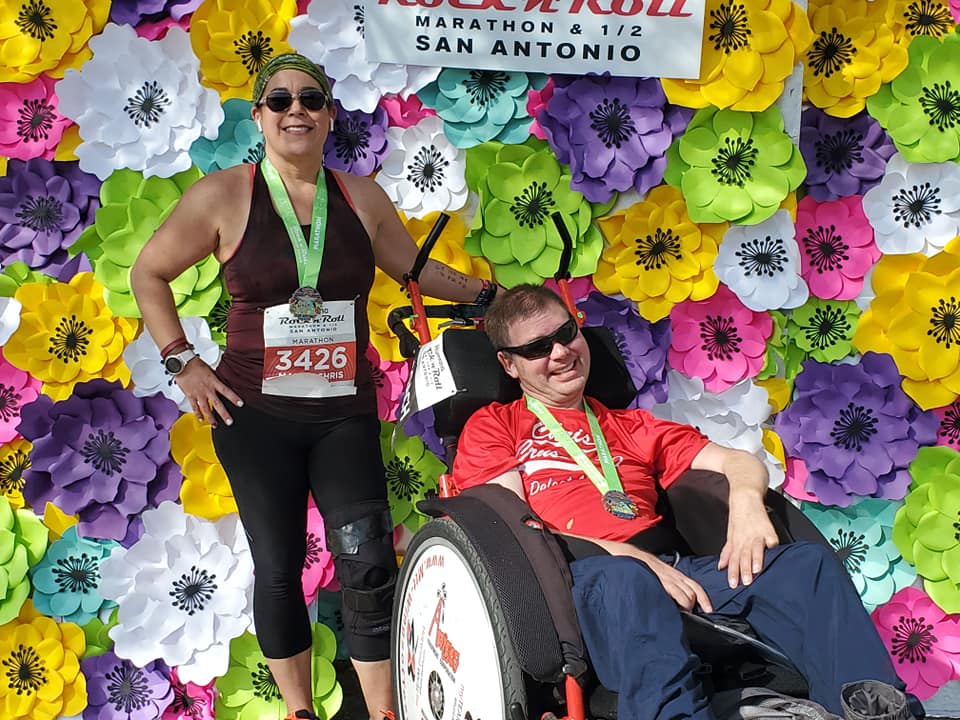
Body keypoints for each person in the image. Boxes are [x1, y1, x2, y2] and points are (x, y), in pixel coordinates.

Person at [131, 53, 499, 720]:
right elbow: (148, 273)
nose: (294, 109)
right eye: (278, 100)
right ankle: (301, 711)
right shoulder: (224, 196)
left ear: (329, 114)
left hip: (341, 418)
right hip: (254, 417)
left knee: (366, 562)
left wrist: (489, 296)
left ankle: (384, 711)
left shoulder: (360, 197)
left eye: (309, 98)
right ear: (260, 116)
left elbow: (412, 267)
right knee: (277, 570)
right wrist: (182, 362)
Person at [452, 284, 914, 720]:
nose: (560, 353)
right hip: (578, 576)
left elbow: (737, 461)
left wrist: (747, 504)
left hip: (673, 568)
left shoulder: (631, 425)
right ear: (510, 365)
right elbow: (517, 526)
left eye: (565, 334)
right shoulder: (496, 426)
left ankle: (871, 710)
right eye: (537, 348)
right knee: (627, 579)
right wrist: (626, 556)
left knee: (806, 566)